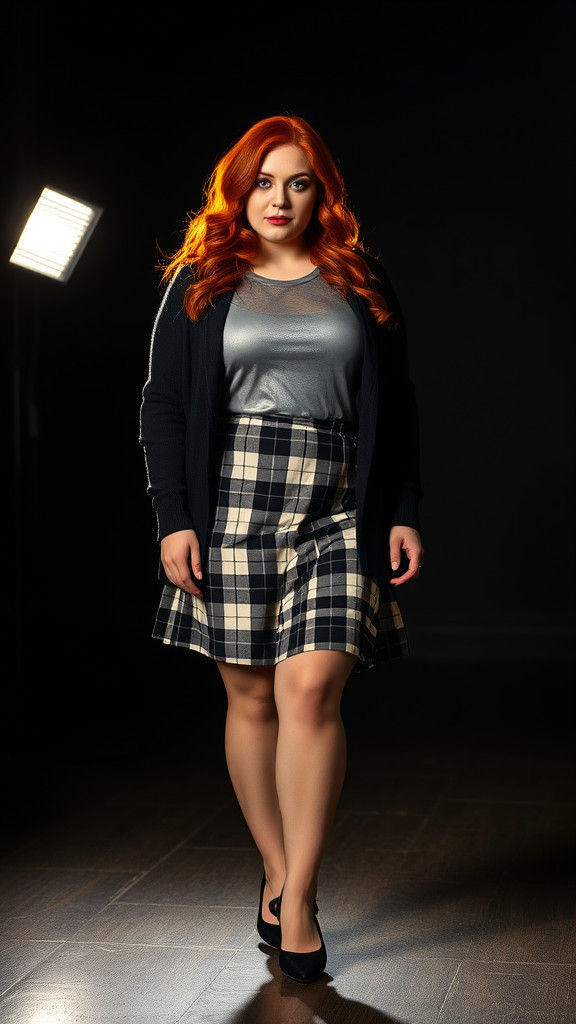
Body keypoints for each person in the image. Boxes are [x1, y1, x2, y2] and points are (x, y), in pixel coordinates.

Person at [139, 114, 425, 983]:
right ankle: (274, 866)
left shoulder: (358, 278)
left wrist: (403, 509)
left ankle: (298, 897)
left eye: (298, 182)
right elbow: (163, 405)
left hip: (339, 503)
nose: (279, 198)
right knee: (252, 696)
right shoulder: (201, 280)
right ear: (239, 190)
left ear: (320, 193)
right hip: (231, 499)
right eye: (263, 181)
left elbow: (399, 405)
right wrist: (173, 517)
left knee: (311, 688)